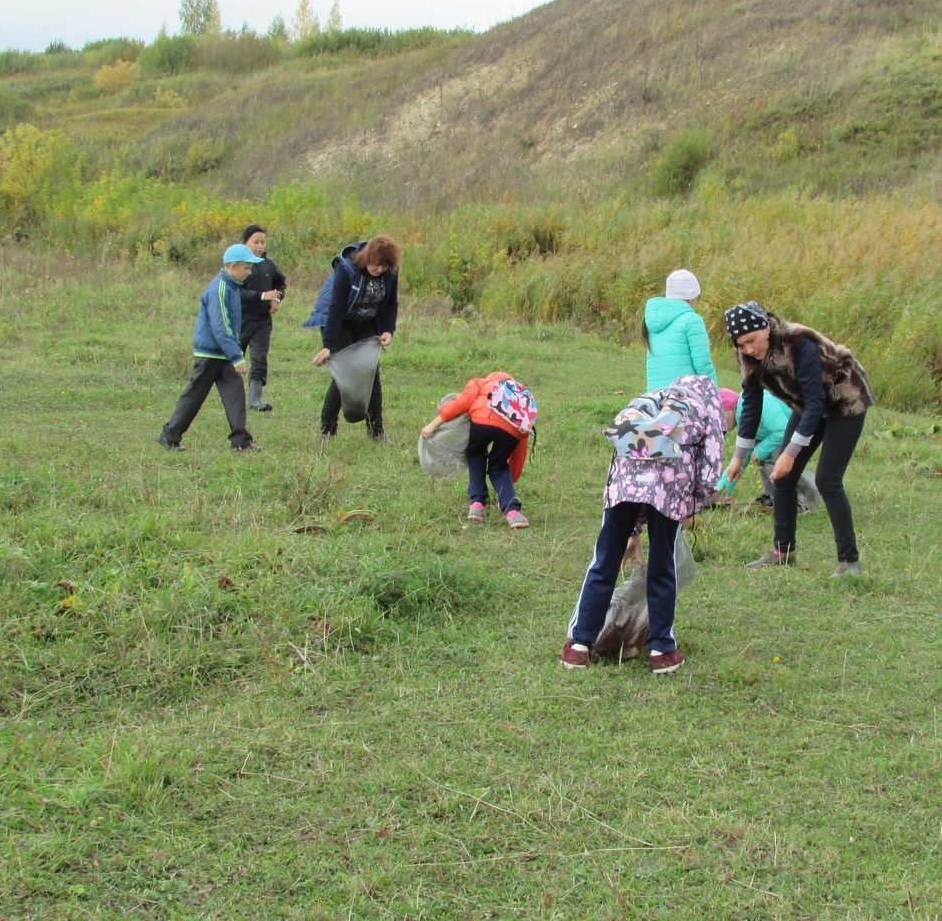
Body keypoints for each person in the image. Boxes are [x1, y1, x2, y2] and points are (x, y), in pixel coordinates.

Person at [561, 375, 724, 674]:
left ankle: (578, 646)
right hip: (671, 488)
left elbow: (629, 459)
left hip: (624, 483)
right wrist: (692, 505)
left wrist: (632, 531)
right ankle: (662, 650)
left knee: (604, 561)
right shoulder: (706, 410)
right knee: (663, 565)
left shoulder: (650, 399)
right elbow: (712, 469)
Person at [723, 301, 873, 575]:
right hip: (807, 405)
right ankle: (783, 552)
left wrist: (790, 453)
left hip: (844, 400)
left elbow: (817, 402)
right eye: (740, 345)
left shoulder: (797, 341)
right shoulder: (749, 357)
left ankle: (849, 562)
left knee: (828, 479)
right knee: (783, 478)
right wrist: (738, 456)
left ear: (765, 327)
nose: (748, 350)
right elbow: (752, 403)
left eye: (751, 341)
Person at [158, 244, 265, 452]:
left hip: (224, 352)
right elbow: (221, 327)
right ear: (233, 267)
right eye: (246, 268)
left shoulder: (233, 287)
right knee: (195, 395)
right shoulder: (220, 289)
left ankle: (240, 441)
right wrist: (237, 355)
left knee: (235, 394)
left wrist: (232, 353)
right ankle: (169, 435)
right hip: (211, 353)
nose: (249, 272)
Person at [304, 235, 400, 439]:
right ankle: (327, 430)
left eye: (383, 266)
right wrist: (328, 346)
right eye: (375, 265)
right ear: (367, 258)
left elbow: (391, 303)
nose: (378, 270)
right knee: (344, 373)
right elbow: (336, 308)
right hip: (341, 322)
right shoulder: (347, 270)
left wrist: (387, 330)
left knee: (370, 372)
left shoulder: (390, 273)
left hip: (367, 322)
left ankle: (376, 431)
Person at [420, 372, 535, 530]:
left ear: (491, 376)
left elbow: (462, 402)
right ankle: (513, 512)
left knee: (476, 455)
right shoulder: (520, 397)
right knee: (499, 466)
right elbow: (521, 446)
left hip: (482, 421)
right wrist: (511, 479)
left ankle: (477, 504)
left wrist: (434, 424)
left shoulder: (481, 383)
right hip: (512, 430)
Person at [718, 387, 821, 512]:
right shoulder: (743, 414)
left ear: (728, 407)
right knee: (761, 454)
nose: (719, 423)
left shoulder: (757, 403)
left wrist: (759, 451)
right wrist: (720, 492)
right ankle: (773, 497)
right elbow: (741, 457)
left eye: (719, 415)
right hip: (787, 436)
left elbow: (783, 430)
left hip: (802, 434)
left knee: (771, 454)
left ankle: (807, 496)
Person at [236, 224, 287, 412]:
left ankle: (255, 400)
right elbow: (236, 292)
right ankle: (230, 392)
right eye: (255, 242)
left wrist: (277, 299)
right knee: (234, 356)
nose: (260, 246)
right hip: (240, 319)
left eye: (263, 242)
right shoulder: (238, 265)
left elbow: (280, 284)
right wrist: (261, 296)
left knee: (259, 358)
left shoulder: (269, 265)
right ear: (245, 243)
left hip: (263, 321)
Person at [642, 268, 717, 391]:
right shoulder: (693, 320)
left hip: (655, 397)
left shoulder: (652, 320)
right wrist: (714, 393)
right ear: (692, 297)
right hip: (684, 396)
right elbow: (702, 364)